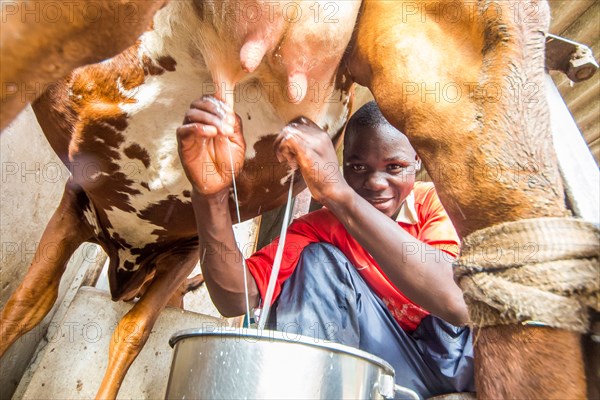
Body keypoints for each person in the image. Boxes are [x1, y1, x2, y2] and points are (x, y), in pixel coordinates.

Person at [177, 98, 475, 398]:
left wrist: (340, 194)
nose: (375, 183)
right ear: (342, 164)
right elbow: (235, 298)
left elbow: (456, 303)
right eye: (357, 167)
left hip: (452, 362)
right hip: (387, 368)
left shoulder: (435, 203)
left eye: (394, 167)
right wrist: (210, 198)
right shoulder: (320, 227)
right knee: (319, 263)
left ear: (417, 161)